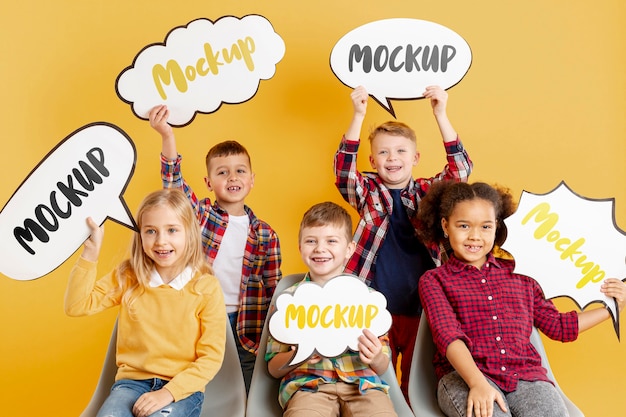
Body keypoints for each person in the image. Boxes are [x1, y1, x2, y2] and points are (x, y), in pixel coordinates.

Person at [415, 181, 626, 417]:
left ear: (497, 227)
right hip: (464, 377)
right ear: (446, 226)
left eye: (486, 227)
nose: (475, 236)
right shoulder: (434, 280)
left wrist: (611, 307)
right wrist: (477, 383)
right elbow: (448, 336)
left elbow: (559, 326)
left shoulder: (522, 274)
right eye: (464, 225)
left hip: (526, 377)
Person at [334, 85, 473, 398]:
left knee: (416, 385)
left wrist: (440, 113)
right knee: (370, 383)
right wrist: (358, 116)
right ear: (373, 158)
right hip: (371, 307)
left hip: (421, 311)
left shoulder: (428, 193)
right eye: (383, 152)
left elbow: (460, 169)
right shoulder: (367, 192)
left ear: (415, 157)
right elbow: (344, 172)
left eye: (399, 151)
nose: (391, 158)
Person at [149, 105, 282, 392]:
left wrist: (280, 333)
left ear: (251, 179)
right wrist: (167, 135)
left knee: (246, 386)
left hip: (246, 325)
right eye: (223, 172)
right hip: (199, 318)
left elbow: (274, 288)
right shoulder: (201, 216)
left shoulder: (265, 234)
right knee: (195, 380)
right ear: (209, 183)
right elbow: (173, 185)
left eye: (239, 171)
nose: (232, 177)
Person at [65, 189, 227, 417]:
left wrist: (168, 392)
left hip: (181, 390)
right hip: (131, 384)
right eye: (151, 231)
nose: (161, 241)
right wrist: (91, 253)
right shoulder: (129, 275)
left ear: (189, 233)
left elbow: (211, 357)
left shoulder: (206, 287)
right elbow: (77, 305)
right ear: (140, 235)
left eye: (172, 230)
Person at [265, 202, 397, 416]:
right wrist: (299, 355)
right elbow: (272, 368)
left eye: (331, 241)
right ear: (300, 248)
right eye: (311, 241)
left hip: (364, 387)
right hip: (308, 387)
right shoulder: (288, 301)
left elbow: (382, 365)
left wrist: (374, 357)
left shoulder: (366, 300)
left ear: (349, 250)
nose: (320, 248)